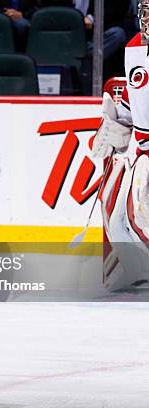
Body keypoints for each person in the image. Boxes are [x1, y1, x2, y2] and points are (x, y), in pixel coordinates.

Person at [92, 0, 149, 291]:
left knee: (142, 213)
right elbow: (136, 95)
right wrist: (115, 118)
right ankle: (133, 272)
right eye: (145, 11)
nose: (147, 18)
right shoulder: (135, 47)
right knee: (113, 209)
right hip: (141, 150)